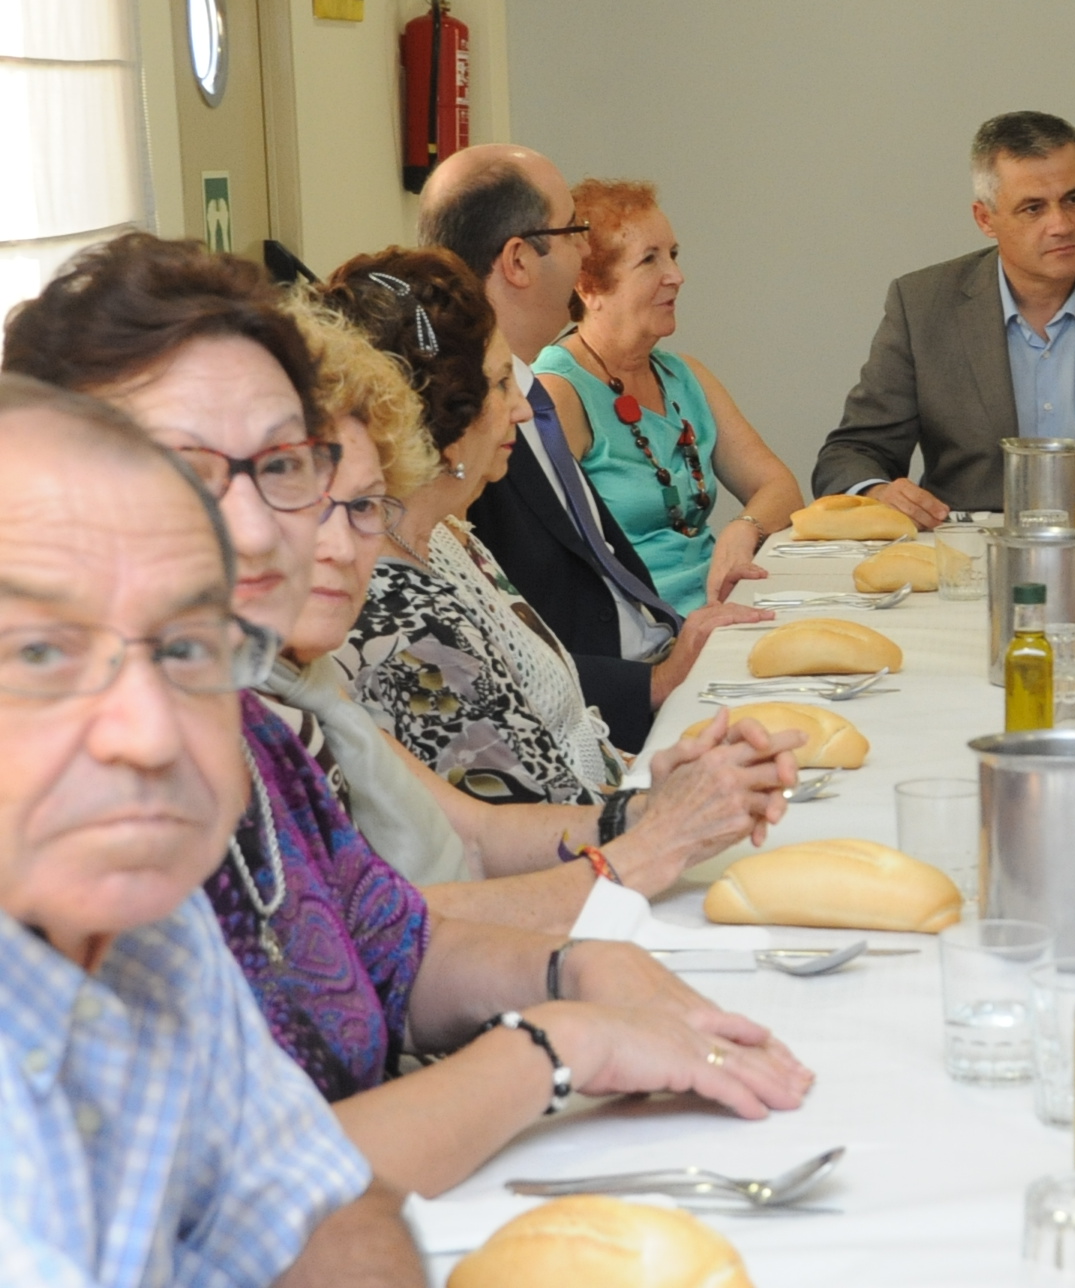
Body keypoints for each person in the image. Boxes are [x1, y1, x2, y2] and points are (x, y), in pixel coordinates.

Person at [4, 235, 814, 1198]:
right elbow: (238, 1191)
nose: (267, 526)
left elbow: (391, 938)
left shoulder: (249, 728)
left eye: (284, 464)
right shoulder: (72, 801)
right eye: (188, 466)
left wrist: (576, 971)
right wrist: (555, 1045)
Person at [0, 376, 418, 1285]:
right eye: (38, 653)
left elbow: (324, 1211)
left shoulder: (155, 934)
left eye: (188, 647)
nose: (151, 734)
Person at [275, 298, 791, 931]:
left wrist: (654, 809)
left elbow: (477, 836)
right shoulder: (371, 623)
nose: (342, 545)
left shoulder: (310, 679)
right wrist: (654, 834)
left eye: (364, 507)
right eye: (300, 504)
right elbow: (399, 929)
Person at [420, 144, 764, 749]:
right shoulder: (466, 421)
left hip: (655, 658)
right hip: (607, 715)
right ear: (518, 261)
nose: (585, 252)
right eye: (572, 231)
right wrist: (657, 681)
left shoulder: (528, 389)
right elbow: (488, 653)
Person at [811, 110, 1075, 525]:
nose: (1061, 225)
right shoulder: (922, 307)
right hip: (970, 547)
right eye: (1033, 208)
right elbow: (851, 454)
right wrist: (878, 492)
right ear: (986, 219)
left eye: (1074, 199)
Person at [324, 247, 633, 803]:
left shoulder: (446, 537)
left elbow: (565, 745)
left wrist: (656, 772)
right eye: (501, 383)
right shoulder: (395, 616)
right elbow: (516, 811)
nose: (522, 409)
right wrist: (654, 804)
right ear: (446, 414)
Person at [534, 178, 801, 612]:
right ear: (588, 286)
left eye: (673, 255)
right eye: (649, 260)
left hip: (721, 606)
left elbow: (780, 486)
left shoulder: (685, 376)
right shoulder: (557, 391)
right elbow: (545, 562)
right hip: (644, 628)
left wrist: (745, 528)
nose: (677, 276)